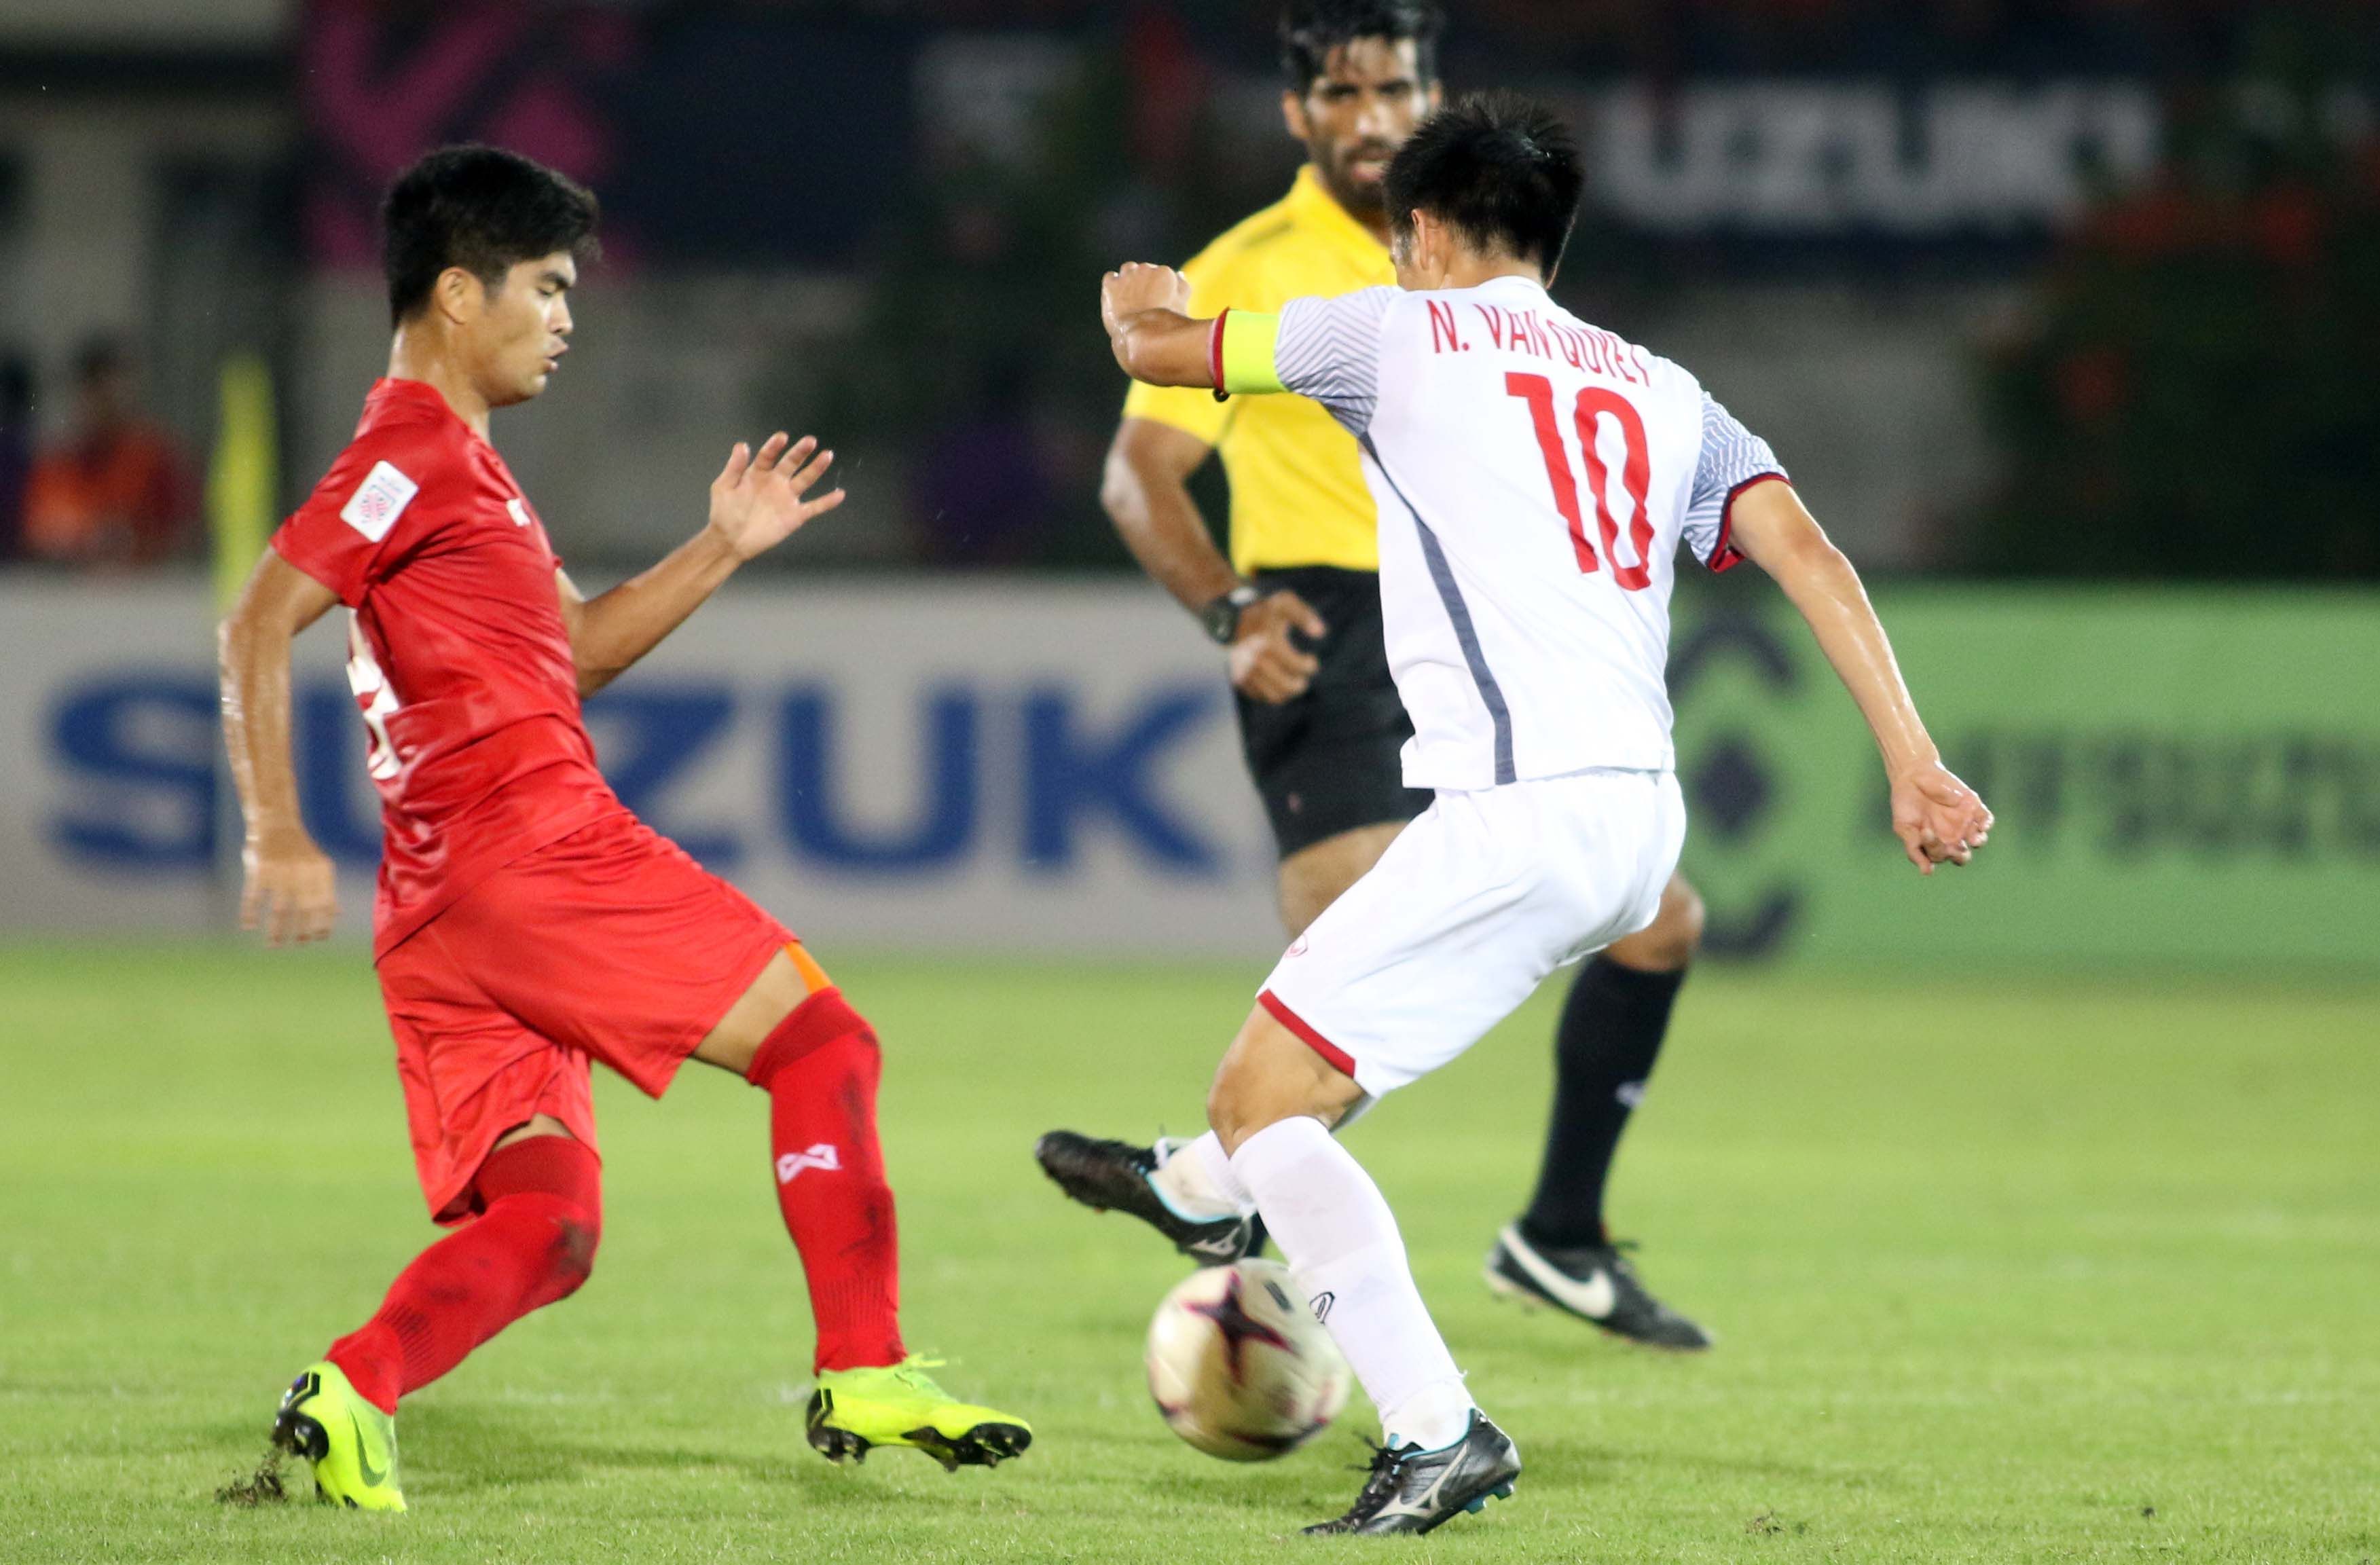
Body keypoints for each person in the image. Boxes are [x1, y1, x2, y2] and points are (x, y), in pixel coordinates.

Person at [1092, 94, 1993, 1534]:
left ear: (1429, 232)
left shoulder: (1381, 333)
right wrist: (1914, 760)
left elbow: (1156, 357)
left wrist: (1137, 300)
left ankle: (1438, 1431)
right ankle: (1203, 1190)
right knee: (1290, 1097)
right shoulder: (1663, 388)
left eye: (1403, 242)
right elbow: (1807, 552)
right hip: (1637, 828)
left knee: (1264, 1102)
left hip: (1514, 818)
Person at [217, 145, 1029, 1513]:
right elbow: (257, 617)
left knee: (549, 1227)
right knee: (826, 1044)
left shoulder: (468, 472)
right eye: (547, 284)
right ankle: (867, 1365)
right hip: (532, 856)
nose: (569, 314)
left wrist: (718, 545)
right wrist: (275, 831)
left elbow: (579, 653)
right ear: (460, 296)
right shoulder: (407, 450)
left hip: (439, 912)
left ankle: (352, 1390)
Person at [1037, 0, 1715, 1350]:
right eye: (1338, 95)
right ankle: (1253, 1219)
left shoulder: (1481, 268)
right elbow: (1141, 471)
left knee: (1660, 921)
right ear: (1297, 115)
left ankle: (1552, 1235)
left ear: (1428, 94)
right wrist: (1228, 607)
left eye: (1392, 87)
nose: (1368, 116)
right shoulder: (1252, 263)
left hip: (1489, 624)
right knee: (1355, 951)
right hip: (1332, 632)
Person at [23, 335, 198, 566]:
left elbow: (187, 534)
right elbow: (40, 534)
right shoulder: (58, 465)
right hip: (71, 597)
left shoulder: (153, 457)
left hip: (148, 593)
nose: (103, 404)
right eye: (93, 392)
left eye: (112, 392)